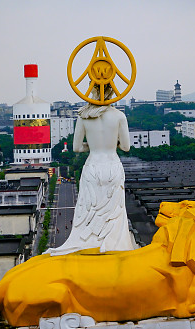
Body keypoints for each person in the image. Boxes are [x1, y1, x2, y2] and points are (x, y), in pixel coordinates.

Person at [46, 84, 134, 255]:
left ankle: (88, 243)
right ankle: (112, 244)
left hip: (93, 166)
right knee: (114, 210)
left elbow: (77, 148)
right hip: (112, 166)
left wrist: (93, 145)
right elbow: (126, 146)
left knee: (89, 209)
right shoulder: (119, 116)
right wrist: (112, 144)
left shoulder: (84, 116)